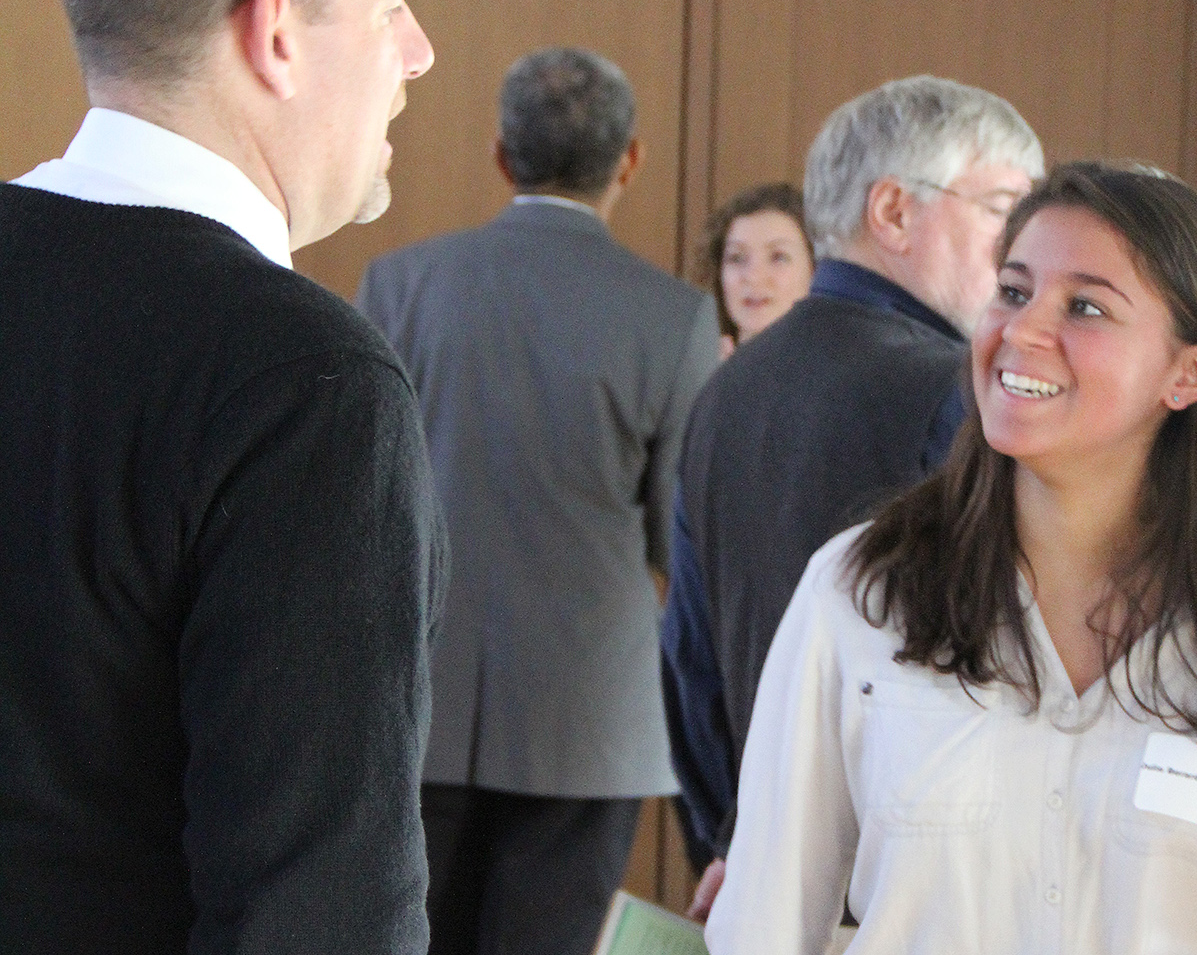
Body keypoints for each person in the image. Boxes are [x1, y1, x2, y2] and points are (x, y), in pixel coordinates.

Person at [705, 162, 1197, 954]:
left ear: (1190, 373)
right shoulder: (864, 589)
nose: (1023, 330)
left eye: (1084, 306)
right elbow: (761, 927)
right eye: (1011, 290)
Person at [0, 0, 442, 953]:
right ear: (276, 33)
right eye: (393, 5)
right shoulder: (303, 385)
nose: (418, 53)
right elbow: (318, 914)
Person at [358, 47, 720, 955]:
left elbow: (361, 502)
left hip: (416, 696)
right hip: (588, 717)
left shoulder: (399, 285)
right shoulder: (674, 316)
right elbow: (681, 541)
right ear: (630, 159)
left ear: (500, 155)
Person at [660, 75, 1043, 915]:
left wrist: (735, 840)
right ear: (894, 213)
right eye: (1004, 209)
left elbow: (688, 657)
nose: (1022, 254)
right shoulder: (960, 396)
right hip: (910, 896)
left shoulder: (726, 389)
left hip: (768, 874)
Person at [699, 182, 815, 358]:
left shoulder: (849, 375)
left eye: (778, 257)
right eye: (737, 258)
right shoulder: (690, 371)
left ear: (815, 270)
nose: (753, 276)